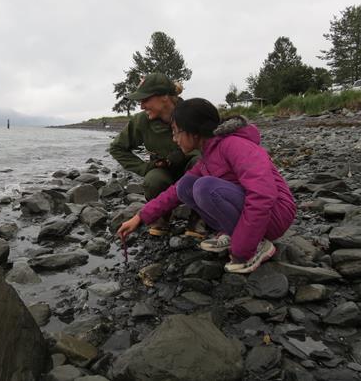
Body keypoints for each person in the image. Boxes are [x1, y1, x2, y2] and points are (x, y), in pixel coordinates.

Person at [117, 98, 296, 274]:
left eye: (176, 132)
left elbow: (263, 195)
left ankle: (257, 245)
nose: (174, 138)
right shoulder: (209, 155)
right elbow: (174, 193)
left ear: (193, 132)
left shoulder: (235, 145)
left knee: (204, 187)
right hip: (261, 213)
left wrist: (242, 250)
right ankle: (233, 233)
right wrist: (140, 217)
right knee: (186, 186)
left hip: (276, 214)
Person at [109, 73, 205, 237]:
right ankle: (160, 218)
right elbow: (117, 148)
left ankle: (199, 218)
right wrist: (145, 167)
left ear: (164, 97)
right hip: (164, 171)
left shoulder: (194, 113)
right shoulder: (141, 121)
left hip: (195, 170)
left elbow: (217, 145)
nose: (141, 106)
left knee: (202, 166)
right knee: (153, 180)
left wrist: (185, 153)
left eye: (145, 100)